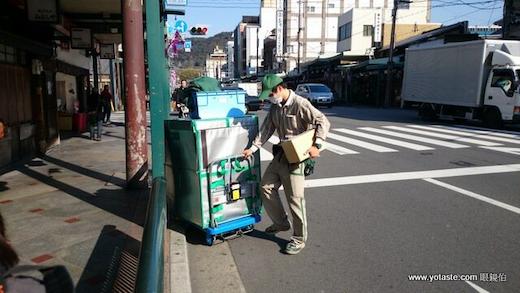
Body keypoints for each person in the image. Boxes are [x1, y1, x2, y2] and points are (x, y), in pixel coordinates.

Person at [243, 74, 330, 255]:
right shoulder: (275, 108)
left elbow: (322, 121)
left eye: (270, 94)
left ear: (280, 89)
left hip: (297, 158)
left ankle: (298, 239)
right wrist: (252, 148)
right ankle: (281, 223)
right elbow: (266, 129)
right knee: (265, 187)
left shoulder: (300, 104)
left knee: (295, 199)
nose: (269, 98)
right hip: (281, 154)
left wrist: (317, 144)